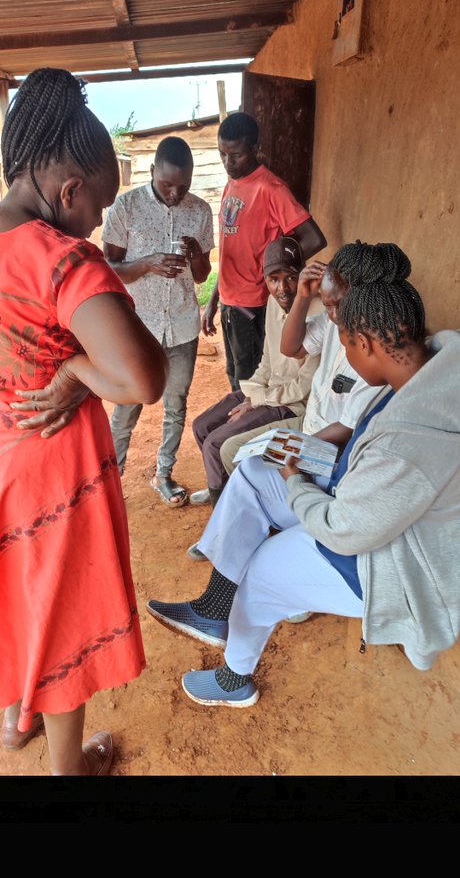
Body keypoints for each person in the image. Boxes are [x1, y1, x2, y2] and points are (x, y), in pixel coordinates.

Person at [146, 241, 460, 708]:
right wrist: (298, 465)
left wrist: (296, 481)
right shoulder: (426, 368)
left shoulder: (409, 440)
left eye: (346, 342)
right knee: (254, 474)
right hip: (367, 503)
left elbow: (345, 528)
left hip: (390, 564)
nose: (341, 349)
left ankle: (234, 679)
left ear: (365, 343)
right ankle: (214, 608)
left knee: (263, 568)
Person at [0, 67, 168, 773]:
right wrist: (73, 369)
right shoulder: (62, 258)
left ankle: (14, 722)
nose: (98, 222)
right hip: (54, 468)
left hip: (5, 452)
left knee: (17, 596)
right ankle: (68, 770)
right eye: (97, 205)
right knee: (62, 613)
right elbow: (142, 379)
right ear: (70, 191)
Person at [187, 249, 384, 560]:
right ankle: (237, 527)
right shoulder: (331, 323)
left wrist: (295, 445)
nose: (332, 314)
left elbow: (346, 426)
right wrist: (303, 297)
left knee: (239, 456)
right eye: (328, 305)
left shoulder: (372, 351)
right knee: (234, 449)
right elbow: (288, 349)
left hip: (322, 439)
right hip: (309, 425)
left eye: (337, 305)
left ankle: (257, 531)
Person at [102, 136, 214, 507]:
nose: (175, 193)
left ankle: (163, 474)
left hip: (182, 325)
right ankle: (110, 481)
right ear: (152, 171)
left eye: (184, 185)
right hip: (138, 327)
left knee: (176, 405)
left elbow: (202, 276)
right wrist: (147, 264)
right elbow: (109, 269)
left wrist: (196, 254)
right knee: (127, 405)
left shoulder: (200, 211)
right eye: (167, 185)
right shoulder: (127, 207)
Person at [189, 236, 320, 509]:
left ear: (302, 274)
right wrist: (252, 395)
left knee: (217, 444)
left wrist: (257, 400)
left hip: (292, 405)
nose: (282, 288)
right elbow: (267, 361)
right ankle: (222, 485)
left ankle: (225, 511)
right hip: (268, 392)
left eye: (291, 277)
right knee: (201, 426)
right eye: (274, 279)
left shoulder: (318, 314)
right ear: (265, 280)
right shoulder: (273, 303)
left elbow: (303, 387)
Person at [201, 112, 327, 391]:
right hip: (230, 303)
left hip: (253, 306)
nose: (228, 163)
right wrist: (214, 299)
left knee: (250, 386)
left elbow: (314, 238)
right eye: (222, 154)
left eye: (236, 155)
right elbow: (232, 247)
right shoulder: (232, 184)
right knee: (235, 377)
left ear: (255, 148)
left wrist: (270, 274)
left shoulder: (272, 189)